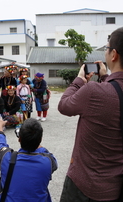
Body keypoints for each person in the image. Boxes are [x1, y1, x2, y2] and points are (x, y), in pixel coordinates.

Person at [58, 27, 123, 202]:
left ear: (114, 54)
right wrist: (106, 78)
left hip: (84, 186)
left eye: (107, 49)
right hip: (115, 189)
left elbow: (64, 105)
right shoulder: (105, 89)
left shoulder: (94, 91)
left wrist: (80, 79)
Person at [0, 117, 58, 201]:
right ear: (40, 139)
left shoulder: (6, 158)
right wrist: (35, 141)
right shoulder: (48, 161)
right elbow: (49, 157)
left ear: (19, 139)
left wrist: (0, 127)